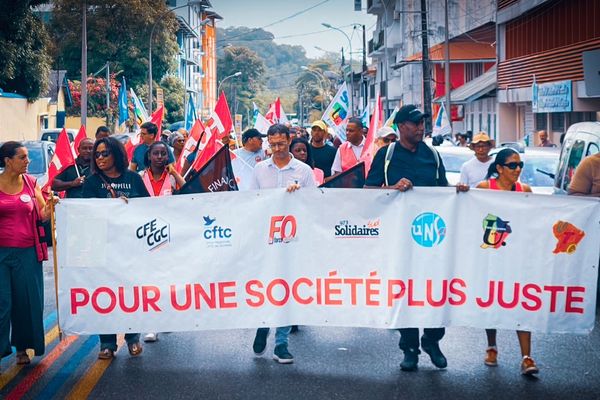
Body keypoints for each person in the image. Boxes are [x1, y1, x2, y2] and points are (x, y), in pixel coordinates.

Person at [365, 104, 469, 372]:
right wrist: (392, 188)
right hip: (397, 240)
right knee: (403, 293)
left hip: (432, 237)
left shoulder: (432, 154)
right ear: (401, 127)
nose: (421, 127)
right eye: (415, 123)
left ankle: (432, 340)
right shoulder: (386, 155)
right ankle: (409, 347)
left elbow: (442, 190)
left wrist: (457, 192)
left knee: (437, 291)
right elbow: (367, 192)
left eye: (422, 122)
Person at [250, 124, 316, 364]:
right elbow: (251, 202)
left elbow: (315, 204)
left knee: (287, 290)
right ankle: (262, 325)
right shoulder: (259, 169)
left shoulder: (304, 170)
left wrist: (299, 195)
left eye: (281, 144)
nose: (277, 149)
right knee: (265, 286)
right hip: (265, 240)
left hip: (292, 241)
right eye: (272, 144)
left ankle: (281, 344)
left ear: (290, 140)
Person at [82, 137, 149, 359]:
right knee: (105, 295)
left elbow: (149, 208)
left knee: (129, 293)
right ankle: (107, 343)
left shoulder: (133, 179)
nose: (99, 158)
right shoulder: (92, 182)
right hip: (102, 247)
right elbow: (85, 214)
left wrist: (129, 207)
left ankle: (132, 339)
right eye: (97, 154)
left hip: (130, 247)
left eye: (104, 154)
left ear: (116, 155)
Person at [476, 148, 538, 375]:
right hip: (491, 257)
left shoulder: (525, 190)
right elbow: (470, 214)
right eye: (512, 165)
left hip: (518, 258)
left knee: (521, 303)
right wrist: (462, 192)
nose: (518, 169)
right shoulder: (485, 189)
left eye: (520, 164)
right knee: (491, 302)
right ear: (500, 168)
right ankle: (491, 347)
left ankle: (527, 357)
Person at [0, 141, 54, 367]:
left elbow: (41, 215)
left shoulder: (31, 184)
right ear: (7, 161)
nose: (27, 161)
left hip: (27, 253)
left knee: (26, 302)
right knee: (3, 304)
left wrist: (52, 205)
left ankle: (22, 348)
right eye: (22, 157)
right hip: (1, 254)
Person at [139, 142, 184, 342]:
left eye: (163, 154)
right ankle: (152, 324)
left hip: (169, 236)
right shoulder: (140, 177)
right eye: (156, 153)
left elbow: (189, 193)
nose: (159, 157)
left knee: (167, 279)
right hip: (146, 235)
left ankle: (166, 317)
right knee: (150, 281)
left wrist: (174, 173)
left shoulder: (172, 177)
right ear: (149, 156)